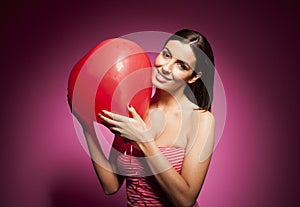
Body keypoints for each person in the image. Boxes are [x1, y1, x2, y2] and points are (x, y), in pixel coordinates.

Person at [74, 29, 216, 207]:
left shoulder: (201, 120)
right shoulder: (133, 106)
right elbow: (111, 186)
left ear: (194, 77)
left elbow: (185, 201)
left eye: (182, 66)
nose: (166, 68)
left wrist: (144, 140)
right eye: (166, 55)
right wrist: (86, 125)